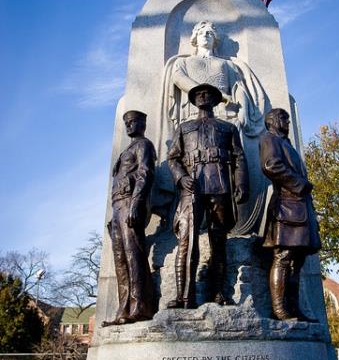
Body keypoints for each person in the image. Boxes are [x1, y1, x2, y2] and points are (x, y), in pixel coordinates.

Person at [156, 20, 267, 234]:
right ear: (195, 38)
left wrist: (242, 107)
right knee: (193, 165)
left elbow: (238, 86)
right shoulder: (183, 62)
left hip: (225, 117)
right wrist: (216, 95)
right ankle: (191, 222)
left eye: (209, 33)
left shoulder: (227, 64)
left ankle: (224, 221)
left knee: (223, 167)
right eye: (202, 32)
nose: (206, 36)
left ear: (215, 39)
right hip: (193, 116)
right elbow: (180, 80)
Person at [167, 83, 249, 309]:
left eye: (208, 93)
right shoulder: (184, 128)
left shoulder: (228, 128)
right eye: (198, 94)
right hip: (192, 188)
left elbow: (239, 158)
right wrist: (181, 177)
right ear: (193, 100)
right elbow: (173, 158)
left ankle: (219, 292)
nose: (203, 96)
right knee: (186, 241)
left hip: (220, 186)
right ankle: (184, 296)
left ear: (215, 99)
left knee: (219, 242)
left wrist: (242, 183)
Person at [259, 108, 321, 322]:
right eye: (283, 117)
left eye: (287, 117)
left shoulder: (287, 144)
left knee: (298, 262)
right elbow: (270, 165)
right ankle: (279, 309)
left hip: (301, 208)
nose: (287, 121)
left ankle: (295, 309)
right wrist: (300, 184)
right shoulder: (269, 139)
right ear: (272, 120)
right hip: (286, 206)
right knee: (283, 257)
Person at [102, 110, 156, 326]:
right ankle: (123, 309)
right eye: (127, 123)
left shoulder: (144, 145)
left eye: (133, 122)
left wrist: (136, 203)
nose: (129, 126)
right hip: (118, 207)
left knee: (134, 256)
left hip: (129, 203)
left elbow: (145, 173)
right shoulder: (127, 149)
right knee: (120, 259)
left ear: (143, 123)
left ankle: (140, 306)